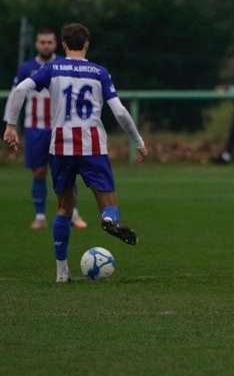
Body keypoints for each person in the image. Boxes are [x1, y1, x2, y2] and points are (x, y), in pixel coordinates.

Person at [3, 22, 148, 283]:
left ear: (63, 44)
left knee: (63, 208)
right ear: (87, 45)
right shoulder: (99, 72)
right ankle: (108, 219)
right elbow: (119, 111)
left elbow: (21, 89)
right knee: (109, 204)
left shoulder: (52, 69)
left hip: (60, 147)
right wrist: (138, 141)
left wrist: (11, 125)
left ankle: (62, 273)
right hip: (92, 146)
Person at [3, 28, 88, 230]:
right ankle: (40, 216)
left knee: (69, 170)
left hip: (61, 127)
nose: (46, 46)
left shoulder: (64, 65)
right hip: (35, 127)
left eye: (49, 42)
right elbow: (16, 94)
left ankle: (73, 213)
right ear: (36, 44)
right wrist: (8, 123)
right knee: (39, 172)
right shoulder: (26, 68)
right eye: (42, 42)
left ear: (56, 44)